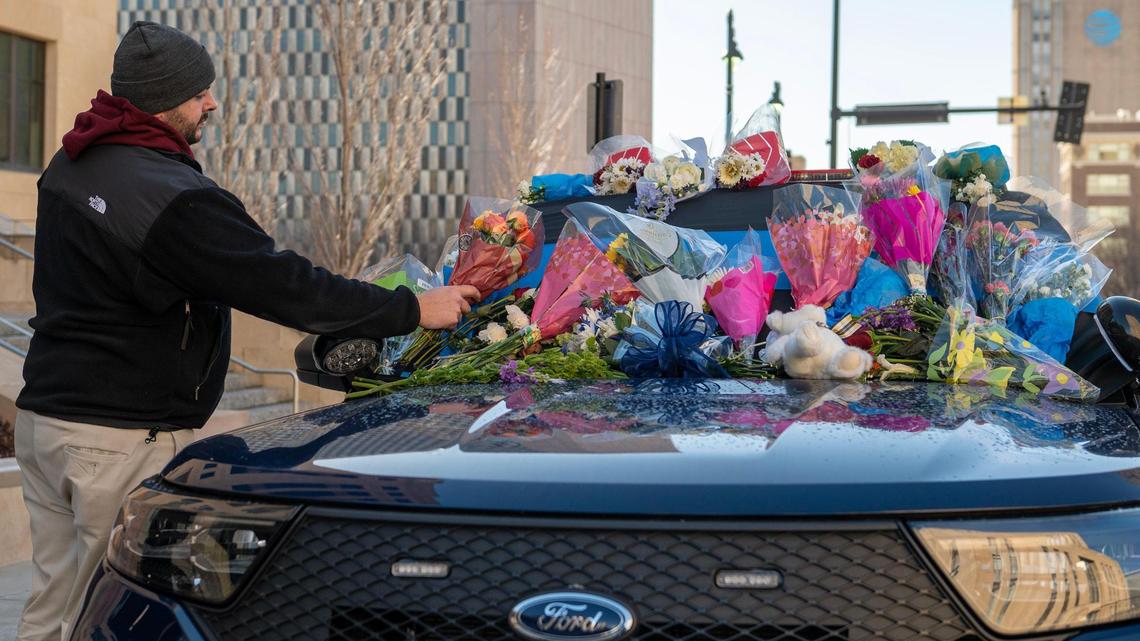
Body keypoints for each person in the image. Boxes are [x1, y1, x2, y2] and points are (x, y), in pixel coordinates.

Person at [12, 21, 478, 641]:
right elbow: (285, 285)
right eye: (199, 92)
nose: (212, 103)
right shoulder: (170, 196)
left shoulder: (71, 163)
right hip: (114, 439)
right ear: (160, 97)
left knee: (53, 605)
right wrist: (412, 309)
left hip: (46, 422)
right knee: (110, 613)